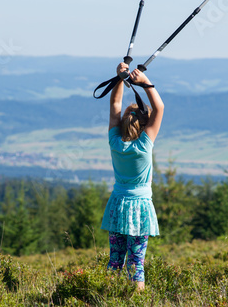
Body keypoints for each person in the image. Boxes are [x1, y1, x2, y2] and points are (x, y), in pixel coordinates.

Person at [100, 62, 164, 291]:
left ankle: (108, 297)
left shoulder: (115, 142)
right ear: (145, 124)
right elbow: (160, 108)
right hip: (140, 208)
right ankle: (137, 300)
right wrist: (145, 83)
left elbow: (115, 103)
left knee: (115, 261)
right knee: (136, 264)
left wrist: (120, 78)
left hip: (117, 205)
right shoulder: (144, 146)